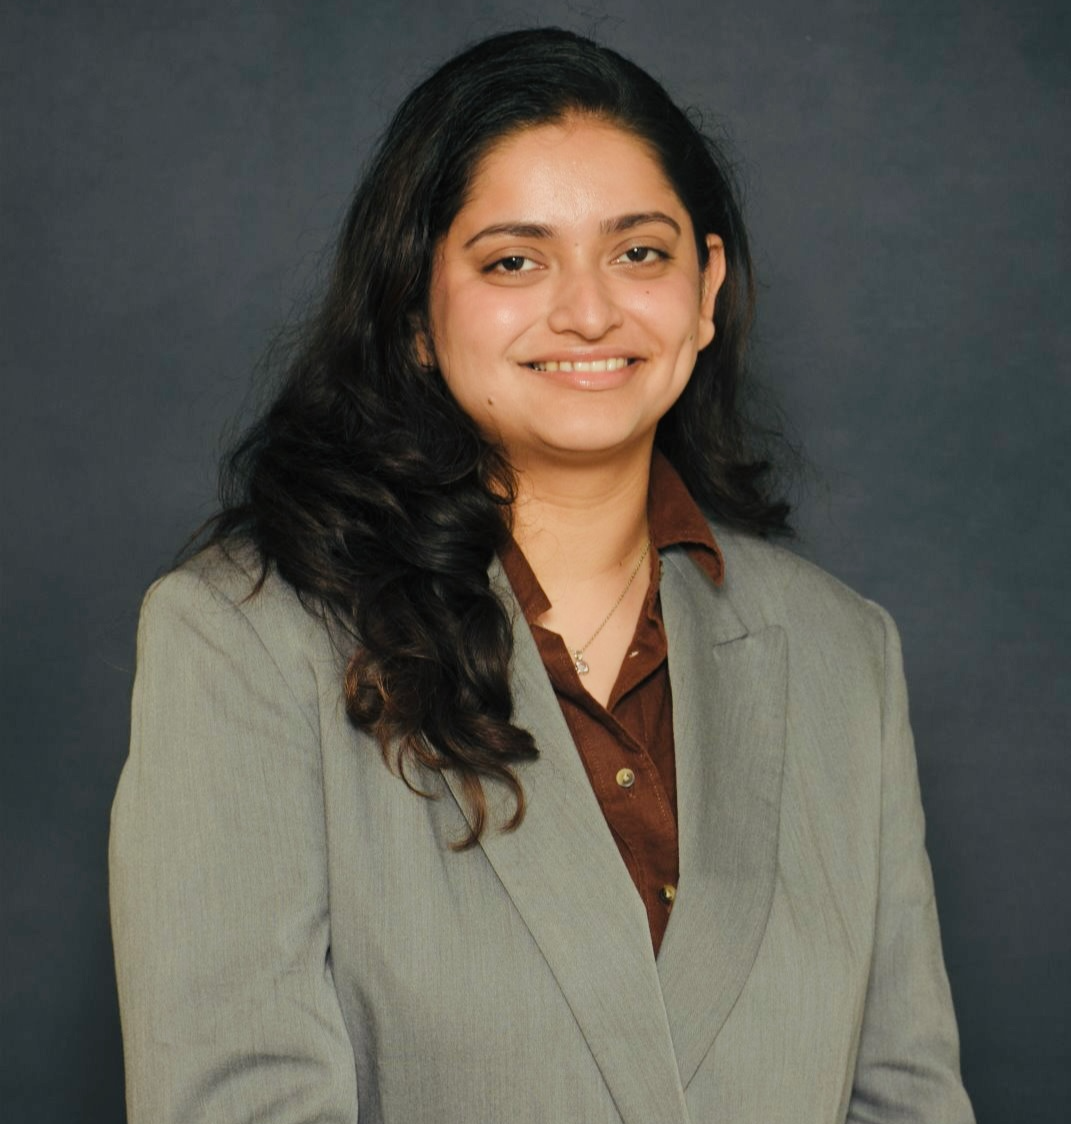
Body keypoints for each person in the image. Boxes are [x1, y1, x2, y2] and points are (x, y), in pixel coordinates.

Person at [109, 27, 975, 1124]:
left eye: (640, 252)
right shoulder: (246, 637)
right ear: (415, 311)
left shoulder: (846, 652)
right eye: (514, 260)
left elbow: (905, 1097)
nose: (589, 311)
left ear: (705, 290)